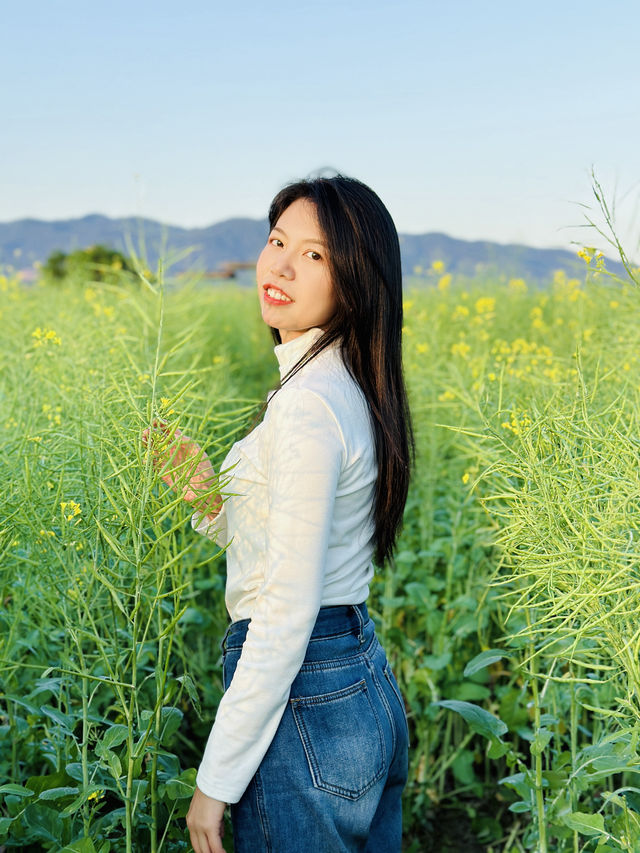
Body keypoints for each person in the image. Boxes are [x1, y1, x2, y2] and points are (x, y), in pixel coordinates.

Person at [144, 174, 413, 853]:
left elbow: (285, 610)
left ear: (355, 278)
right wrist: (208, 493)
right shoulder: (343, 382)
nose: (281, 265)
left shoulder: (308, 405)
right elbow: (292, 541)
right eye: (276, 240)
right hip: (360, 683)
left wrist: (216, 779)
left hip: (306, 702)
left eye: (315, 254)